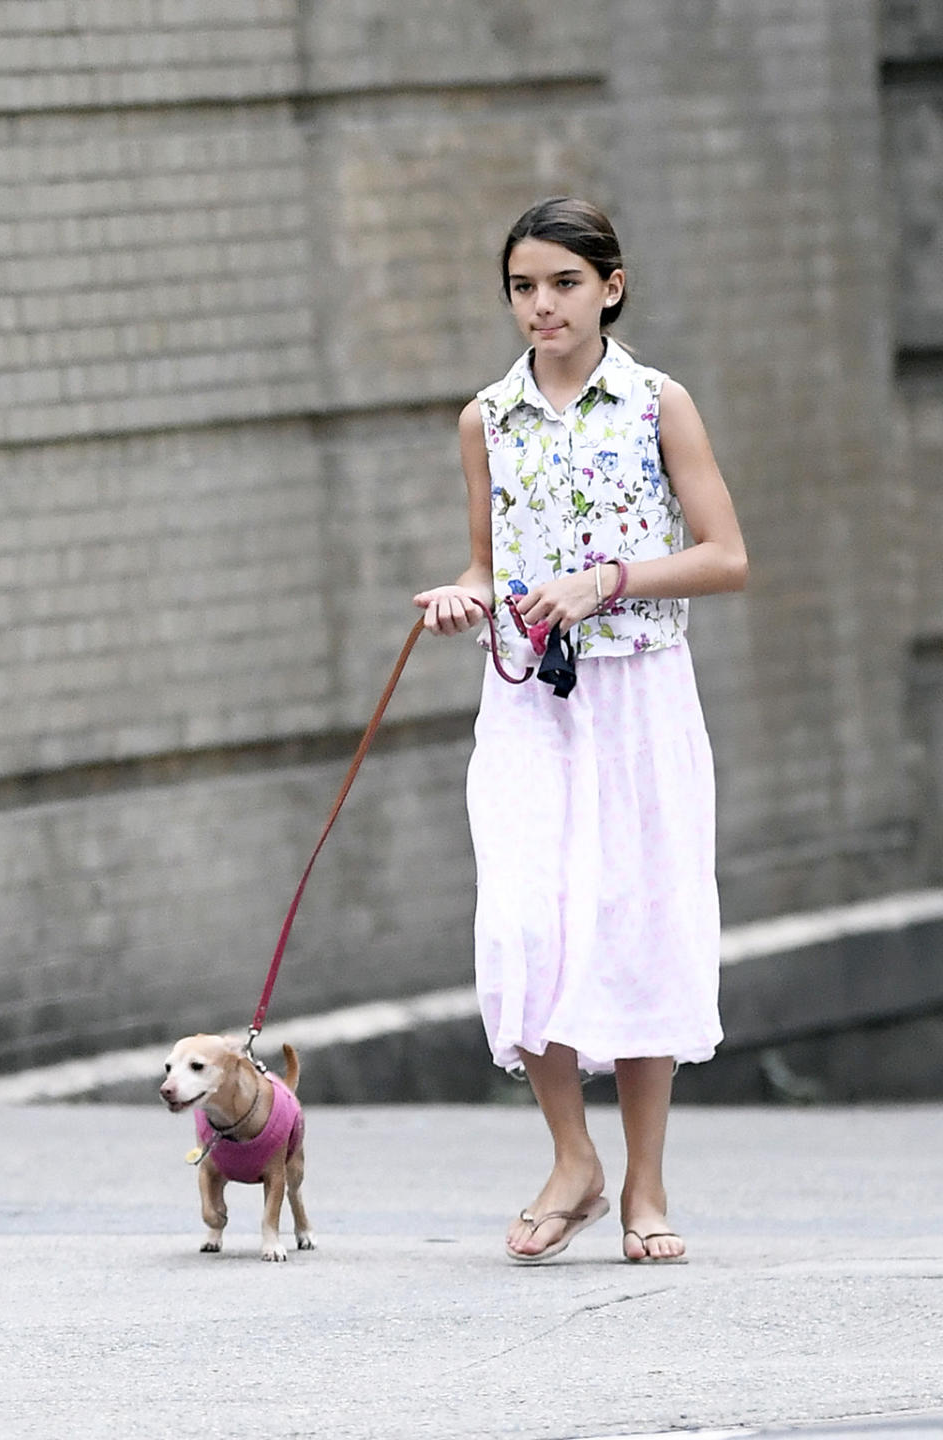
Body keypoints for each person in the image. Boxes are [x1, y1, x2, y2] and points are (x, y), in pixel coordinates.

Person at [414, 197, 747, 1264]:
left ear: (610, 285)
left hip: (639, 695)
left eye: (563, 283)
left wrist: (606, 579)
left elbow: (726, 554)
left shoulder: (657, 404)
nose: (541, 305)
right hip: (525, 701)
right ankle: (574, 1159)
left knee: (637, 922)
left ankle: (646, 1182)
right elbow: (485, 557)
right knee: (524, 923)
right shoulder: (486, 418)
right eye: (523, 286)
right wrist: (462, 595)